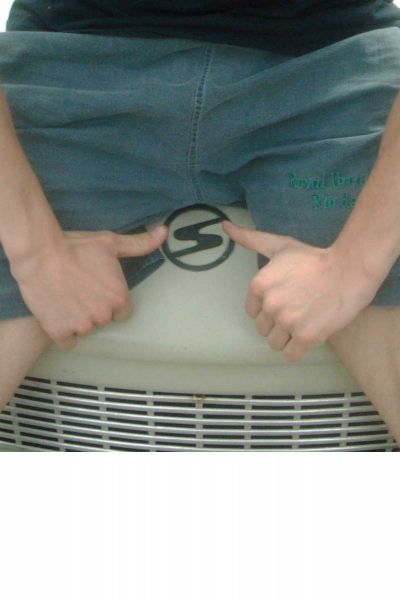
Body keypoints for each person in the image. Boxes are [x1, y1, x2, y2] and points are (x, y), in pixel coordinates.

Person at [1, 0, 400, 445]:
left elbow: (362, 265)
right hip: (69, 59)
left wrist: (356, 264)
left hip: (336, 62)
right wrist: (35, 253)